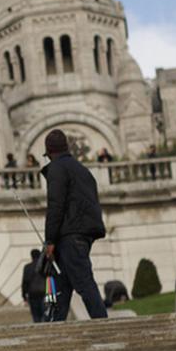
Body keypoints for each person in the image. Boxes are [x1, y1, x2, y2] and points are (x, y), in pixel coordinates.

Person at [41, 129, 107, 321]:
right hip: (82, 235)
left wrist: (50, 240)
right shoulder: (83, 171)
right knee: (59, 287)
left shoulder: (56, 169)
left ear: (49, 152)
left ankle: (103, 322)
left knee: (84, 283)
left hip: (69, 236)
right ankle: (53, 324)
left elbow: (56, 206)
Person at [21, 249, 45, 323]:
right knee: (45, 313)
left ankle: (38, 328)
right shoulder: (45, 266)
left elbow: (25, 282)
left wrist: (24, 296)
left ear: (31, 256)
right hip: (44, 292)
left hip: (32, 293)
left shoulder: (27, 267)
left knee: (36, 315)